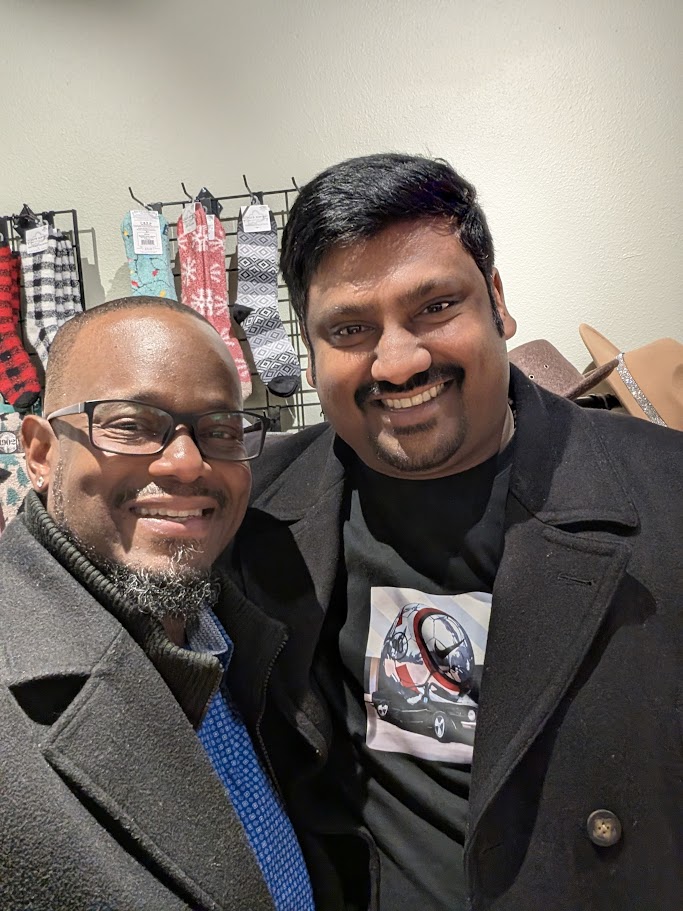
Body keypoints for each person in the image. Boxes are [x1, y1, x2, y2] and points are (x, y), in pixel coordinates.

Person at [225, 154, 683, 911]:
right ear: (308, 351)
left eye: (434, 306)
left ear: (497, 302)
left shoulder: (665, 493)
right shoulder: (254, 513)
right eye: (349, 327)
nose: (398, 361)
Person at [0, 297, 315, 911]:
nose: (186, 463)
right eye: (130, 425)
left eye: (220, 431)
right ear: (39, 453)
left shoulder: (236, 624)